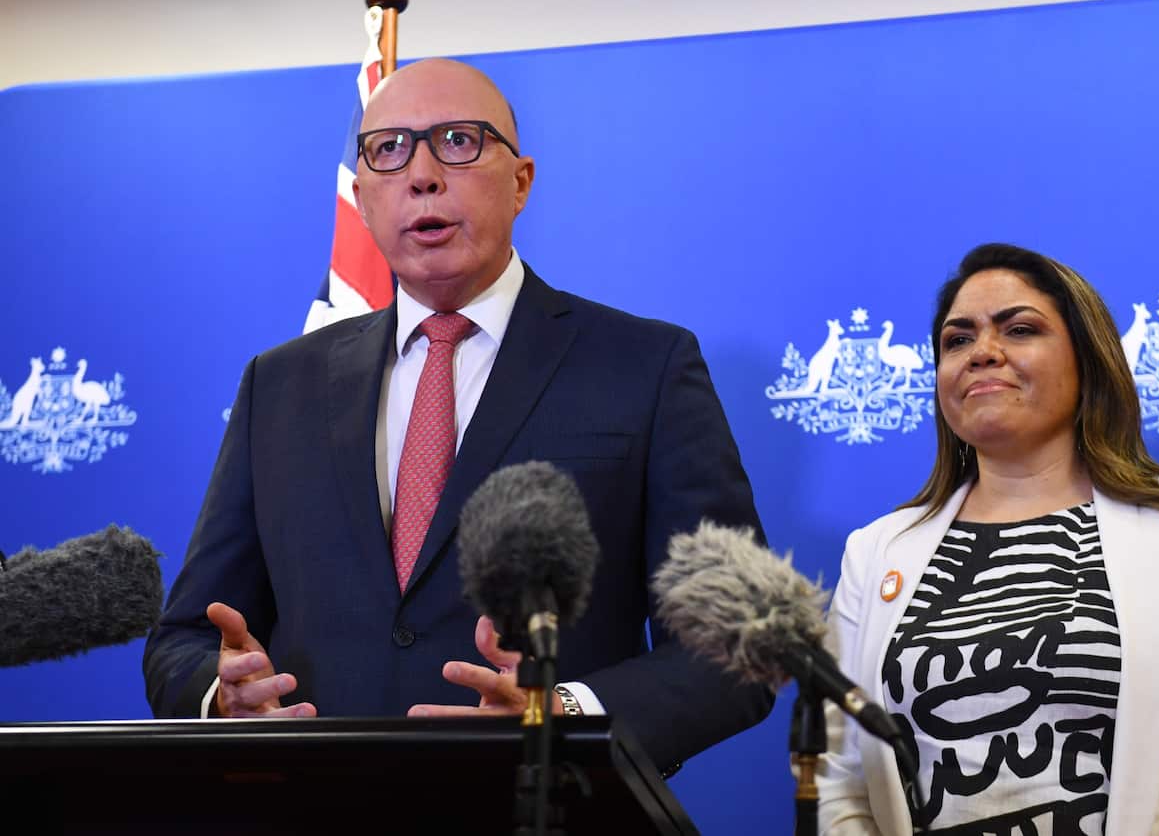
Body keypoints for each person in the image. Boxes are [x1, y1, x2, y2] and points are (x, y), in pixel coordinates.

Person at [142, 58, 772, 773]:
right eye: (390, 149)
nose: (423, 174)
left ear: (522, 181)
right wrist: (220, 694)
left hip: (544, 807)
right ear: (363, 192)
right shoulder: (279, 384)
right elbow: (185, 640)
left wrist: (559, 712)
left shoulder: (646, 366)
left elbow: (733, 645)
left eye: (459, 141)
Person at [817, 243, 1159, 835]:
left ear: (1088, 360)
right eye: (957, 340)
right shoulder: (878, 551)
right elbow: (840, 777)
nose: (983, 352)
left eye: (1019, 329)